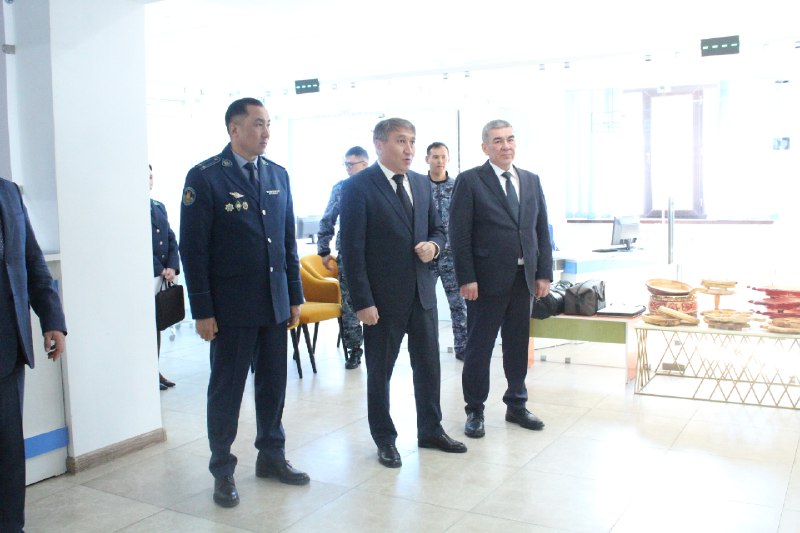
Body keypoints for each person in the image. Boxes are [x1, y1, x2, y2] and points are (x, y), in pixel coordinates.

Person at [179, 97, 308, 508]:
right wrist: (202, 309)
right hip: (231, 308)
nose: (266, 132)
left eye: (268, 123)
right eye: (257, 124)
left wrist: (294, 296)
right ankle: (222, 469)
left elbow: (286, 243)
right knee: (227, 390)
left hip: (273, 303)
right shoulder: (206, 177)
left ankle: (271, 456)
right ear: (234, 129)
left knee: (273, 385)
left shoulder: (277, 174)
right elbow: (193, 250)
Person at [340, 118, 467, 469]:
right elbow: (351, 250)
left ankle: (431, 430)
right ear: (379, 144)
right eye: (401, 141)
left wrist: (434, 246)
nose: (409, 149)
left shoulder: (421, 183)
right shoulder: (358, 187)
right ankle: (385, 438)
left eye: (412, 141)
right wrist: (363, 302)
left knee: (428, 367)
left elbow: (439, 229)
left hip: (422, 295)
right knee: (380, 373)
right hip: (381, 302)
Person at [449, 119, 553, 439]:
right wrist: (466, 277)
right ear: (485, 147)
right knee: (479, 348)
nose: (506, 146)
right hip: (485, 282)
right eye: (497, 141)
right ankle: (475, 410)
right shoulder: (470, 181)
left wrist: (544, 273)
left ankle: (516, 405)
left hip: (524, 280)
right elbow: (459, 234)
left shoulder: (531, 180)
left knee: (517, 345)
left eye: (510, 139)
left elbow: (541, 230)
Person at [0, 177, 67, 533]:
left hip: (7, 348)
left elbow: (31, 260)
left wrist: (52, 319)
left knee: (9, 451)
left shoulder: (8, 192)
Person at [316, 146, 368, 369]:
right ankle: (354, 350)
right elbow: (327, 219)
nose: (347, 168)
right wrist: (323, 250)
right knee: (349, 303)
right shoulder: (341, 188)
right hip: (349, 255)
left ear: (364, 164)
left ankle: (378, 347)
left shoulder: (378, 187)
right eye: (345, 164)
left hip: (376, 255)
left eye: (351, 164)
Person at [425, 142, 467, 361]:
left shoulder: (458, 186)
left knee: (459, 305)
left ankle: (463, 347)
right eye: (435, 157)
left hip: (452, 256)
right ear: (427, 159)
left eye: (443, 157)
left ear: (448, 159)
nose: (439, 161)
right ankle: (427, 349)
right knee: (425, 307)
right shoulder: (419, 186)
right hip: (426, 256)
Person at [149, 165, 180, 391]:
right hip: (147, 275)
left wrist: (172, 267)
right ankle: (148, 373)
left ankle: (154, 370)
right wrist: (159, 268)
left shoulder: (158, 206)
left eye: (151, 176)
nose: (149, 180)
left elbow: (170, 238)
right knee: (146, 327)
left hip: (161, 277)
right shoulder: (129, 208)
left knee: (156, 325)